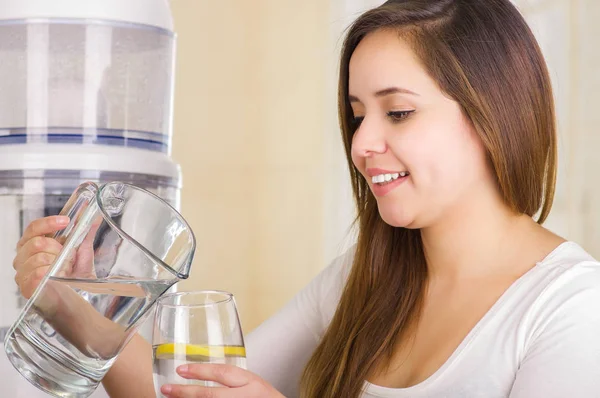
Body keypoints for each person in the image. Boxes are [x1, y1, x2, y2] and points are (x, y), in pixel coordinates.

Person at [13, 0, 600, 397]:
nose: (364, 144)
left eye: (398, 112)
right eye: (357, 115)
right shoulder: (365, 275)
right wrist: (67, 300)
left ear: (493, 115)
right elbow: (193, 387)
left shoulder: (570, 309)